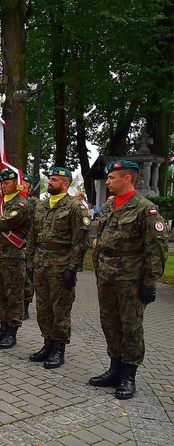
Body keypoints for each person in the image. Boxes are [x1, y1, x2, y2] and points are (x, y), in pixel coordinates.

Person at [89, 160, 168, 400]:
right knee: (109, 323)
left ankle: (129, 376)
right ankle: (115, 369)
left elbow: (156, 247)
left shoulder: (145, 208)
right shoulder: (110, 205)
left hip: (130, 278)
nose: (108, 181)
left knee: (131, 326)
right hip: (107, 275)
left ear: (128, 179)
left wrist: (149, 282)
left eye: (112, 178)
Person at [26, 167, 91, 368]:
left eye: (54, 179)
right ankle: (47, 343)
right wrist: (29, 260)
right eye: (50, 178)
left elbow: (80, 241)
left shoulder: (74, 207)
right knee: (43, 307)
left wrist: (72, 268)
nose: (50, 182)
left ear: (65, 184)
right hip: (41, 264)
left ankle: (59, 348)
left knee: (60, 309)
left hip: (61, 265)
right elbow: (32, 236)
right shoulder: (41, 206)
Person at [0, 168, 30, 348]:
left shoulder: (21, 205)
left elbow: (5, 223)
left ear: (16, 185)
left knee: (13, 295)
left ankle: (12, 331)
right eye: (2, 183)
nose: (3, 186)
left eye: (7, 183)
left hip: (14, 256)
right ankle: (2, 326)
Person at [21, 173, 40, 320]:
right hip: (13, 244)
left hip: (27, 243)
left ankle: (25, 306)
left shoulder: (33, 202)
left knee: (27, 277)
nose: (22, 184)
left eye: (25, 183)